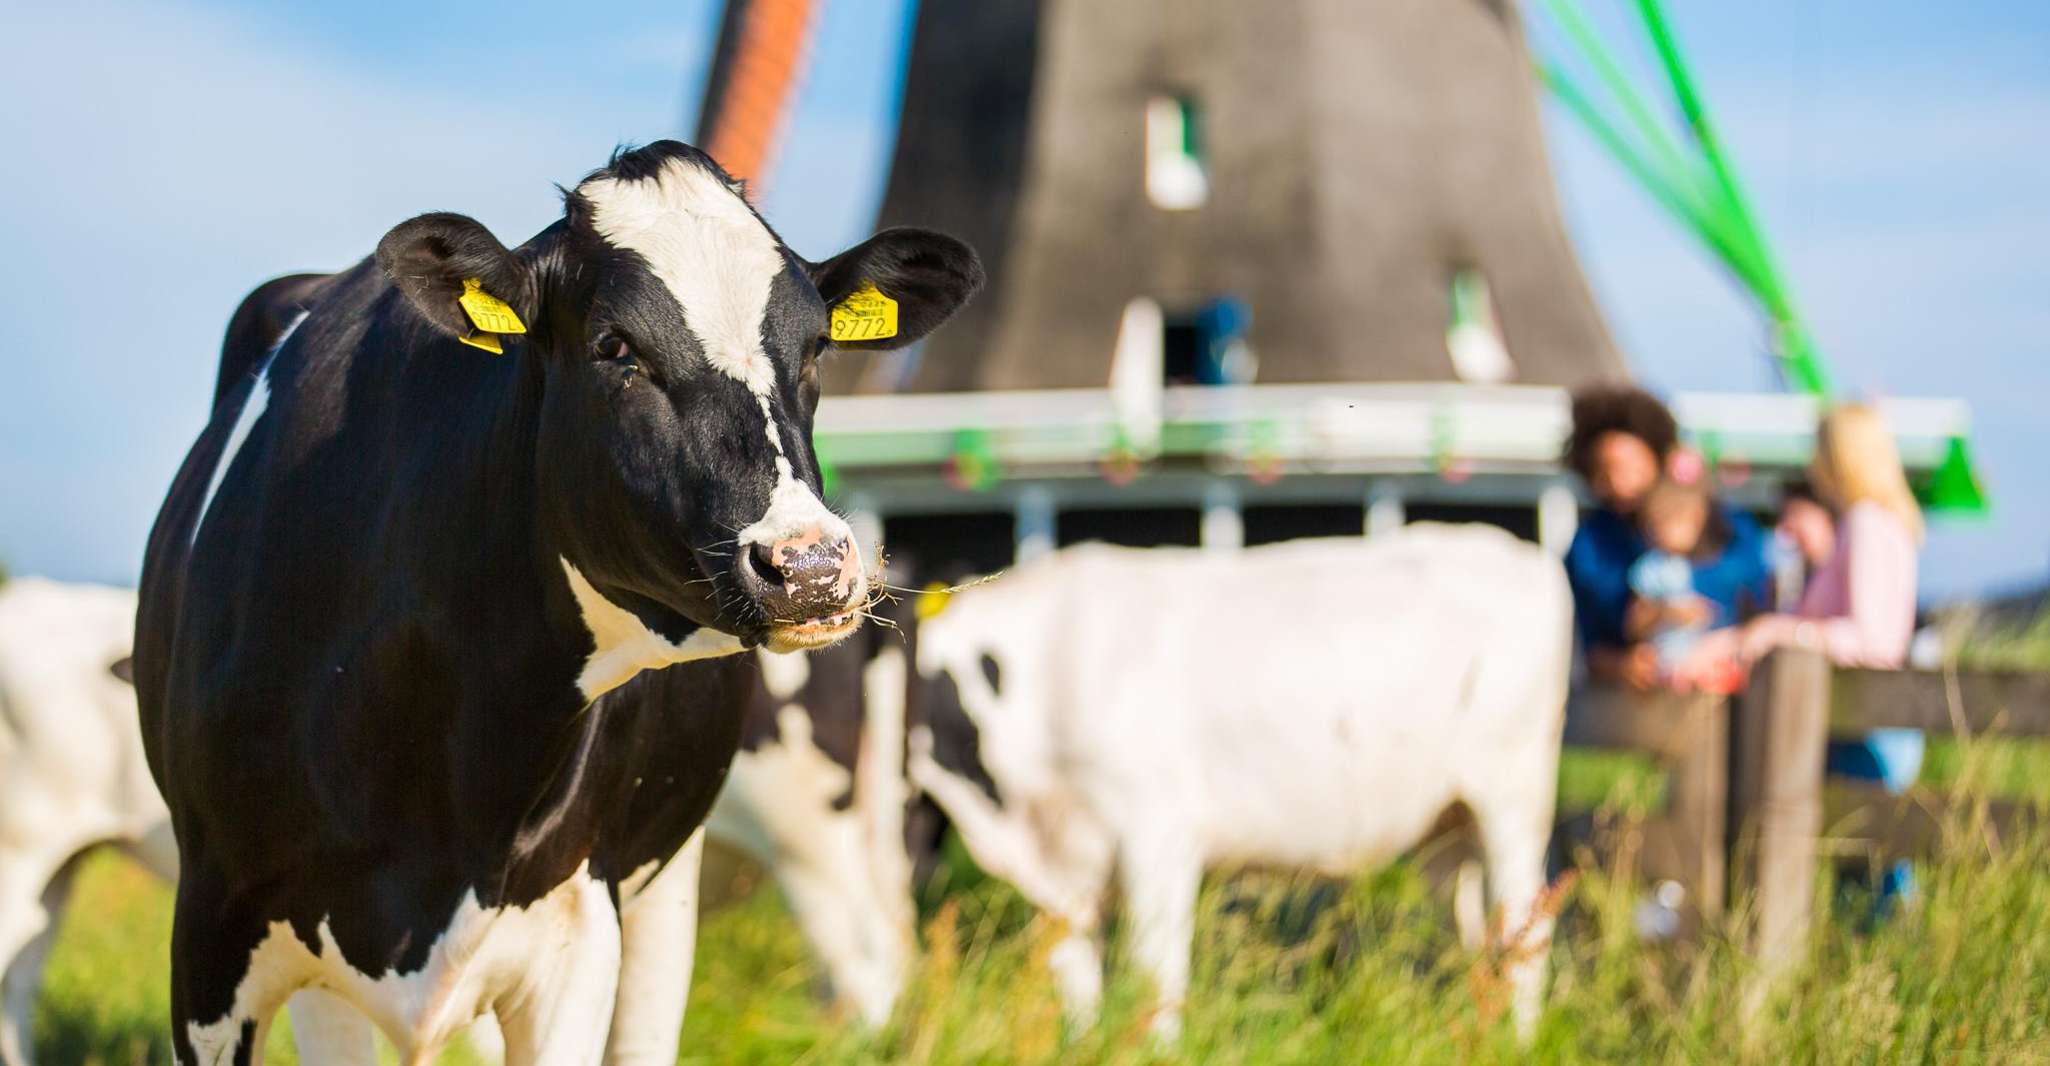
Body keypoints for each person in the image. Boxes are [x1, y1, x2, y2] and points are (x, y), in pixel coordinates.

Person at [1684, 404, 1925, 902]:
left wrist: (1780, 631)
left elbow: (1872, 642)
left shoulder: (1865, 523)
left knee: (1872, 866)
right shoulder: (1875, 523)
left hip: (1866, 721)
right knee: (1864, 863)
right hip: (1859, 721)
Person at [1561, 385, 1774, 689]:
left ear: (1656, 456)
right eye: (1604, 472)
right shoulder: (1591, 545)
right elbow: (1589, 640)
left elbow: (1755, 599)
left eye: (1629, 467)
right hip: (1635, 699)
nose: (1619, 483)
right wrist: (1622, 664)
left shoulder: (1726, 526)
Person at [1626, 479, 1744, 692]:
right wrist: (1667, 612)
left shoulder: (1704, 566)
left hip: (1700, 652)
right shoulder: (1652, 568)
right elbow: (1634, 623)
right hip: (1668, 656)